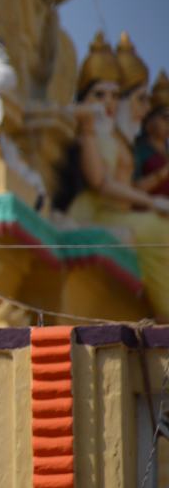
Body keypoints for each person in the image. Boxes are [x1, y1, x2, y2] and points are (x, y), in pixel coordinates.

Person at [63, 32, 169, 318]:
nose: (108, 103)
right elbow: (101, 183)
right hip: (94, 211)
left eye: (114, 95)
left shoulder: (113, 137)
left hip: (116, 211)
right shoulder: (90, 132)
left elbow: (125, 186)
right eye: (99, 95)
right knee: (159, 231)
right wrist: (152, 202)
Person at [134, 70, 169, 198]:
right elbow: (131, 187)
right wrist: (162, 174)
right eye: (166, 118)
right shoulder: (137, 149)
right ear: (149, 119)